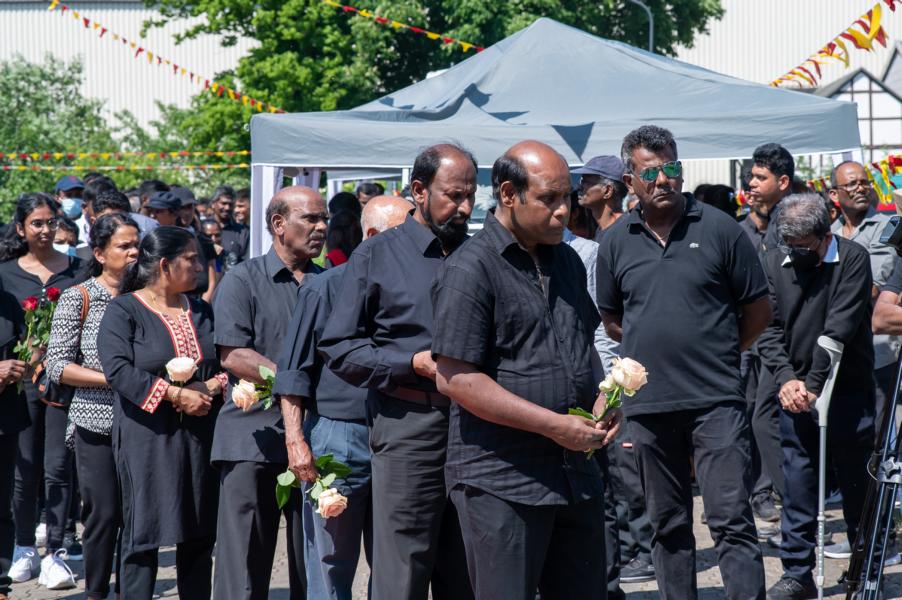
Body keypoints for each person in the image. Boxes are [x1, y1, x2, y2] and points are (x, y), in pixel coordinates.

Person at [431, 140, 619, 600]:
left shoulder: (568, 260)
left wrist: (606, 399)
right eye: (548, 199)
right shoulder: (471, 268)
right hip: (502, 480)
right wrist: (553, 425)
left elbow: (582, 347)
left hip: (574, 475)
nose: (563, 210)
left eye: (567, 197)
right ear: (508, 194)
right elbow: (455, 378)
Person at [595, 125, 770, 599]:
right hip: (649, 406)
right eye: (650, 172)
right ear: (629, 181)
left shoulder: (720, 229)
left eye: (671, 167)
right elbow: (613, 320)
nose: (663, 179)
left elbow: (758, 310)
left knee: (730, 519)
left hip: (716, 401)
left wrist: (719, 350)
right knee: (668, 524)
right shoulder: (616, 241)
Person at [320, 144, 476, 600]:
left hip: (478, 426)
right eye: (454, 195)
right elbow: (339, 347)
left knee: (469, 564)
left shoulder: (480, 254)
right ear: (419, 191)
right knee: (402, 567)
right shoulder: (376, 255)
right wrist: (409, 364)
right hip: (408, 425)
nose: (465, 208)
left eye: (470, 196)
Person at [274, 194, 412, 600]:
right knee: (330, 558)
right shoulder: (325, 288)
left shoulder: (418, 288)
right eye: (403, 235)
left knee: (395, 561)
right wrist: (296, 440)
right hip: (339, 436)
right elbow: (293, 372)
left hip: (402, 435)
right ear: (371, 235)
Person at [97, 226, 228, 599]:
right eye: (191, 259)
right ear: (166, 265)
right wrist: (174, 394)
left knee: (199, 531)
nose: (200, 267)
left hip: (200, 436)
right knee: (143, 533)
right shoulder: (124, 310)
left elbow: (225, 362)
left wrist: (210, 387)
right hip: (148, 437)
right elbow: (118, 370)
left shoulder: (200, 310)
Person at [211, 186, 327, 599]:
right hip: (253, 436)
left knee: (312, 559)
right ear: (279, 224)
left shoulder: (330, 281)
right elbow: (233, 354)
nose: (321, 227)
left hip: (317, 435)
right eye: (310, 218)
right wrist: (292, 381)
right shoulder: (242, 280)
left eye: (324, 219)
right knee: (244, 562)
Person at [757, 194, 875, 600]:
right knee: (798, 483)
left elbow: (839, 327)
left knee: (857, 482)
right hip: (795, 393)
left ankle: (865, 570)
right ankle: (797, 573)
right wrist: (787, 379)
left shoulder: (853, 258)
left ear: (825, 236)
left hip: (847, 390)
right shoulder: (774, 260)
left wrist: (813, 383)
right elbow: (768, 328)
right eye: (790, 246)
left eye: (804, 247)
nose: (796, 254)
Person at [44, 213, 140, 600]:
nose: (134, 253)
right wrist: (116, 379)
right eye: (124, 246)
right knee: (103, 514)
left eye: (137, 245)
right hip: (95, 421)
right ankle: (97, 591)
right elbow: (57, 365)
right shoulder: (79, 297)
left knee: (137, 514)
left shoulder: (146, 296)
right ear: (99, 253)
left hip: (144, 421)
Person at [0, 193, 84, 590]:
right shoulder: (5, 274)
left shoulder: (78, 270)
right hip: (21, 385)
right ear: (21, 228)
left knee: (59, 466)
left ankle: (55, 551)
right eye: (37, 223)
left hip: (66, 382)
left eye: (51, 222)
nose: (46, 230)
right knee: (25, 467)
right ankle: (23, 546)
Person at [828, 161, 898, 446]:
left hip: (877, 351)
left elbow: (872, 286)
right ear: (834, 194)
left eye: (864, 182)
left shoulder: (886, 227)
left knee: (879, 438)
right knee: (845, 436)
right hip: (838, 351)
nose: (860, 188)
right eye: (852, 184)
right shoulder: (829, 232)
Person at [745, 143, 796, 525]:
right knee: (760, 416)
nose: (752, 183)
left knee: (766, 419)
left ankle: (796, 504)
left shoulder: (793, 220)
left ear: (783, 182)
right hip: (763, 338)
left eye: (760, 177)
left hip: (783, 339)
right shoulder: (764, 223)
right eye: (751, 176)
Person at [0, 283, 28, 600]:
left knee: (0, 506)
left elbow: (25, 350)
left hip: (4, 420)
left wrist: (26, 364)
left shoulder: (7, 302)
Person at [572, 155, 628, 243]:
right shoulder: (603, 229)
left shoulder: (625, 231)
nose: (579, 187)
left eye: (585, 181)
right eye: (581, 181)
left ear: (607, 191)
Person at [211, 186, 250, 268]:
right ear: (213, 204)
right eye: (224, 203)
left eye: (230, 204)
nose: (227, 208)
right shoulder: (203, 228)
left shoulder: (243, 232)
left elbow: (246, 263)